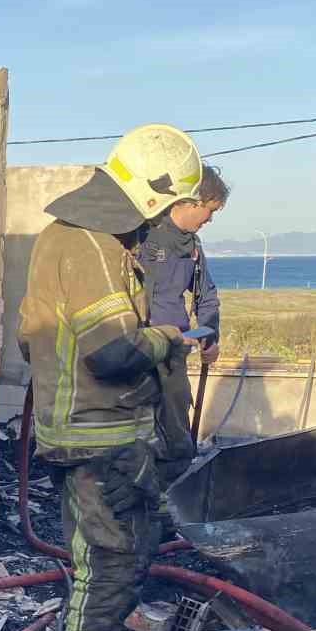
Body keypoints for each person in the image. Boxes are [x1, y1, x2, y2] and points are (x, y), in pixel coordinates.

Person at [18, 123, 203, 631]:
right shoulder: (94, 246)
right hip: (105, 440)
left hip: (82, 434)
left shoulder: (62, 239)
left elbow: (33, 341)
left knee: (102, 560)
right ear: (153, 196)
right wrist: (167, 337)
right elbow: (113, 350)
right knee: (112, 561)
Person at [135, 165, 228, 480]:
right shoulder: (141, 236)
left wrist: (209, 336)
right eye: (209, 210)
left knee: (176, 435)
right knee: (135, 436)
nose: (210, 220)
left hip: (175, 354)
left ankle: (169, 504)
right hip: (137, 353)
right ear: (191, 201)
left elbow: (207, 296)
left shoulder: (194, 248)